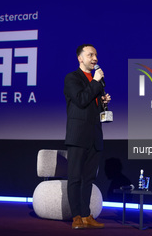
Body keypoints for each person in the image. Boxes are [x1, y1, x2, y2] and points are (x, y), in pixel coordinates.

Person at [64, 44, 111, 230]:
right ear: (80, 58)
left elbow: (92, 105)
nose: (95, 58)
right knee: (75, 178)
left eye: (96, 55)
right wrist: (95, 82)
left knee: (88, 179)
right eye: (90, 55)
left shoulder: (97, 81)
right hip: (78, 136)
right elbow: (81, 100)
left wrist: (102, 102)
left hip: (94, 135)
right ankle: (76, 216)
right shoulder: (72, 78)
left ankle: (86, 214)